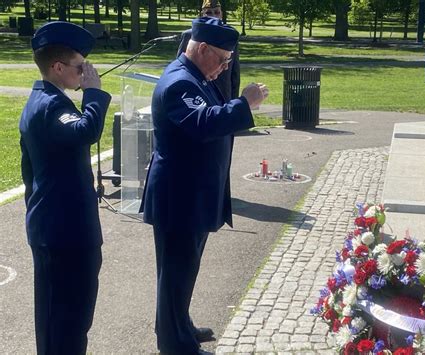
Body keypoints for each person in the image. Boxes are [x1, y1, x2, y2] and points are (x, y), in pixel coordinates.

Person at [139, 17, 268, 355]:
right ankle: (174, 344)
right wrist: (244, 103)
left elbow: (210, 113)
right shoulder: (180, 82)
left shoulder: (198, 76)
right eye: (223, 58)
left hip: (190, 195)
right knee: (175, 274)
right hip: (179, 198)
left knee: (182, 272)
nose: (225, 66)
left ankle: (178, 324)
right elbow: (204, 123)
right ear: (202, 48)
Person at [19, 21, 111, 354]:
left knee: (57, 323)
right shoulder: (50, 106)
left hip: (54, 228)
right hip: (65, 235)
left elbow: (28, 169)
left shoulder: (43, 100)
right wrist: (95, 93)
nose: (86, 72)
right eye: (80, 66)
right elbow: (86, 130)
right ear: (58, 68)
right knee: (68, 324)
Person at [177, 0, 240, 103]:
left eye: (217, 12)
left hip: (223, 95)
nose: (214, 16)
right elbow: (181, 66)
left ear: (221, 14)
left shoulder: (230, 37)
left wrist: (234, 103)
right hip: (198, 94)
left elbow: (235, 74)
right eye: (209, 12)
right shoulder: (190, 36)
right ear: (202, 14)